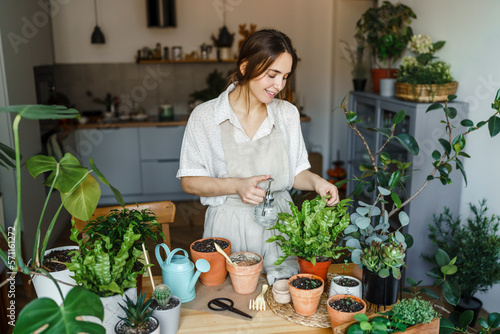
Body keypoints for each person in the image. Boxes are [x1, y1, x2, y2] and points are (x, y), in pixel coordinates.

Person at [177, 29, 339, 284]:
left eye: (285, 76)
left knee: (280, 301)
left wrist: (318, 182)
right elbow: (189, 180)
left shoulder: (287, 114)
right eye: (272, 74)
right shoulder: (206, 116)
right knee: (228, 297)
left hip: (280, 226)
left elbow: (296, 173)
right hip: (227, 229)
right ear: (245, 67)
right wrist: (236, 186)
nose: (280, 85)